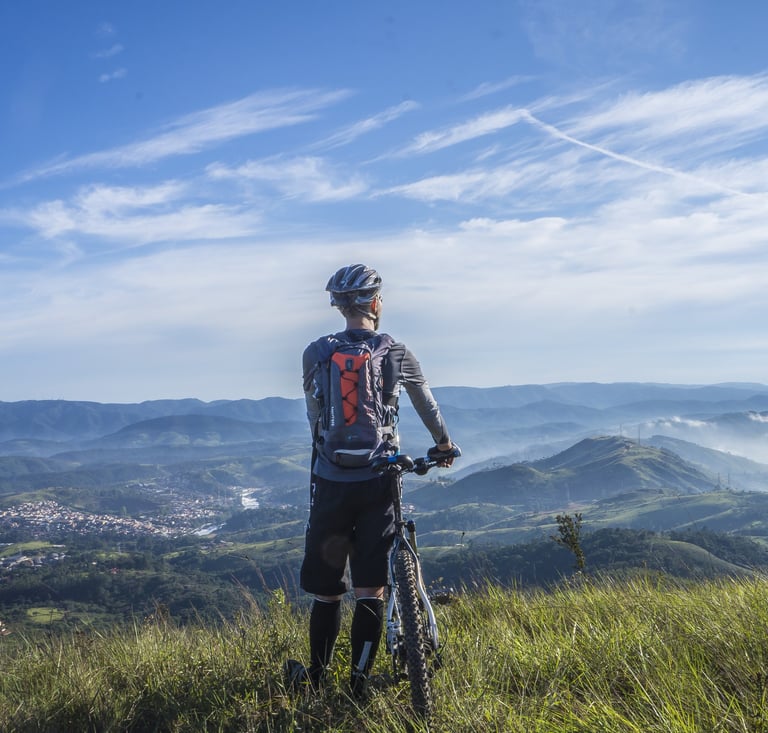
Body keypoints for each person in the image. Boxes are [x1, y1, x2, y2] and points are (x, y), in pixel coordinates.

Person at [285, 263, 457, 699]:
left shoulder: (315, 353)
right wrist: (443, 445)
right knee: (370, 590)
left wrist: (330, 456)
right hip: (379, 480)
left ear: (339, 306)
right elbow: (427, 405)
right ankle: (358, 684)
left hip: (330, 481)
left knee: (327, 593)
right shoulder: (395, 351)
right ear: (376, 303)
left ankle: (317, 679)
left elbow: (314, 416)